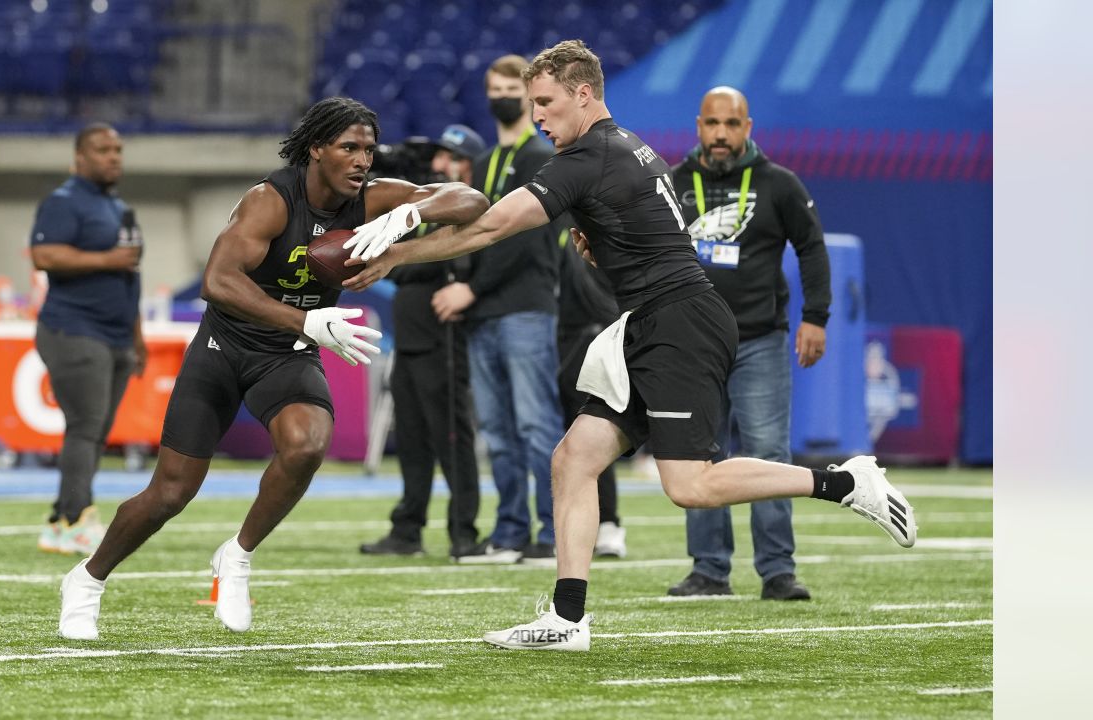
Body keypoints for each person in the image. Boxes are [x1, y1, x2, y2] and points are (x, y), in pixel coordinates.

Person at [343, 40, 916, 652]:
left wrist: (397, 251)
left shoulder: (587, 156)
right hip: (651, 320)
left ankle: (845, 482)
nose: (537, 115)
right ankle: (567, 620)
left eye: (545, 101)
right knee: (573, 460)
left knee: (690, 484)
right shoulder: (625, 146)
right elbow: (635, 230)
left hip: (677, 323)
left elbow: (488, 226)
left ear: (582, 94)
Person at [58, 97, 489, 640]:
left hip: (286, 353)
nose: (361, 160)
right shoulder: (270, 200)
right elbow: (218, 281)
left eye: (368, 150)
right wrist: (305, 322)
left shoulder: (376, 197)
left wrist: (414, 212)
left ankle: (236, 556)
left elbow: (475, 201)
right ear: (316, 148)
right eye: (348, 148)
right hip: (225, 348)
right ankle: (88, 578)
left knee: (308, 444)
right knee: (170, 493)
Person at [666, 87, 832, 601]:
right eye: (712, 123)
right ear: (698, 126)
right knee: (698, 460)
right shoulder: (671, 184)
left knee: (767, 454)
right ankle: (709, 571)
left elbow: (811, 248)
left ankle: (778, 571)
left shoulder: (779, 184)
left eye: (731, 124)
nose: (720, 134)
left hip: (759, 339)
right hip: (692, 345)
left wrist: (816, 318)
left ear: (748, 127)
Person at [429, 54, 567, 566]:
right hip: (486, 313)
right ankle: (510, 531)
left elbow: (524, 242)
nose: (502, 93)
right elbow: (469, 234)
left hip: (524, 308)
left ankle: (553, 531)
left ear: (531, 96)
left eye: (513, 85)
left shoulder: (540, 156)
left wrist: (471, 288)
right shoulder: (484, 161)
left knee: (536, 425)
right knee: (499, 431)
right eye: (495, 85)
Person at [360, 124, 485, 558]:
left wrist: (470, 289)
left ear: (468, 165)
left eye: (450, 157)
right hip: (410, 337)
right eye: (439, 156)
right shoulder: (422, 205)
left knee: (452, 438)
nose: (439, 164)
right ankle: (407, 528)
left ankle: (463, 532)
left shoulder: (468, 211)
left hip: (443, 338)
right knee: (412, 439)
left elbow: (475, 264)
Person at [31, 123, 146, 556]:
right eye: (102, 150)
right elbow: (45, 255)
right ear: (79, 158)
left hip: (116, 335)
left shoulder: (119, 208)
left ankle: (61, 519)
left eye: (117, 149)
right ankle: (78, 517)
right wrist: (106, 258)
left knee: (95, 431)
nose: (113, 157)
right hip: (73, 329)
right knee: (85, 427)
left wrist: (138, 337)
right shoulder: (63, 202)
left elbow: (129, 275)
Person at [555, 231, 626, 558]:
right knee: (560, 443)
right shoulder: (548, 216)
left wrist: (610, 321)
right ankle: (559, 526)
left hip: (596, 335)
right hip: (556, 336)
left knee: (595, 428)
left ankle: (609, 523)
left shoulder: (603, 216)